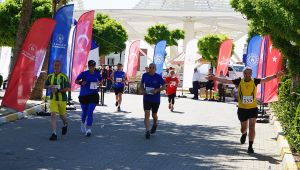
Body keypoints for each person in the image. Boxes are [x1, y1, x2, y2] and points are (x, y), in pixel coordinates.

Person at [209, 67, 284, 153]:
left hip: (252, 108)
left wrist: (275, 76)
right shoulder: (239, 81)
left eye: (249, 73)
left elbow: (265, 79)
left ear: (251, 74)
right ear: (243, 74)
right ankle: (244, 134)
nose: (247, 75)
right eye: (245, 73)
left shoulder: (254, 81)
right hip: (242, 109)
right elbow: (226, 81)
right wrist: (214, 78)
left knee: (252, 127)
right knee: (243, 128)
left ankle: (250, 146)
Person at [75, 60, 102, 137]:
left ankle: (89, 129)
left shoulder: (97, 74)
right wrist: (81, 83)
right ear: (88, 66)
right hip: (84, 95)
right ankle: (83, 122)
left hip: (93, 95)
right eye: (90, 66)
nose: (92, 67)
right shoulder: (83, 74)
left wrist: (99, 83)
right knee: (84, 112)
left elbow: (101, 80)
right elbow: (76, 81)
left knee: (90, 111)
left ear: (95, 66)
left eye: (93, 66)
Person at [45, 60, 70, 141]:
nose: (56, 67)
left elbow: (68, 88)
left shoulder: (64, 77)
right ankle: (54, 133)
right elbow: (45, 85)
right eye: (55, 65)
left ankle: (65, 124)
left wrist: (58, 91)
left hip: (62, 99)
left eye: (58, 65)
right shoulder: (50, 76)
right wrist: (50, 86)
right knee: (53, 115)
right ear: (53, 66)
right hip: (53, 99)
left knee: (62, 116)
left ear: (60, 66)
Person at [140, 63, 166, 139]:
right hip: (147, 98)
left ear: (155, 69)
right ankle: (147, 131)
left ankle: (155, 124)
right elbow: (141, 84)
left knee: (154, 115)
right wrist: (142, 90)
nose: (151, 69)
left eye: (153, 68)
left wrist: (157, 90)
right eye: (150, 67)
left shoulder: (158, 76)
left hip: (156, 99)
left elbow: (164, 86)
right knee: (146, 114)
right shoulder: (145, 75)